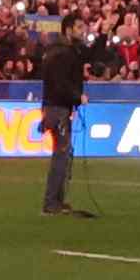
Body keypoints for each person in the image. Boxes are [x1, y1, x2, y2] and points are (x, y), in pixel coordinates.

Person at [35, 21, 89, 217]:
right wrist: (77, 96)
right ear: (68, 30)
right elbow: (61, 83)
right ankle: (51, 203)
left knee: (64, 153)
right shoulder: (64, 54)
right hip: (58, 108)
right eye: (79, 28)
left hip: (53, 107)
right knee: (61, 154)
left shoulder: (55, 52)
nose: (83, 32)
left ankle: (57, 201)